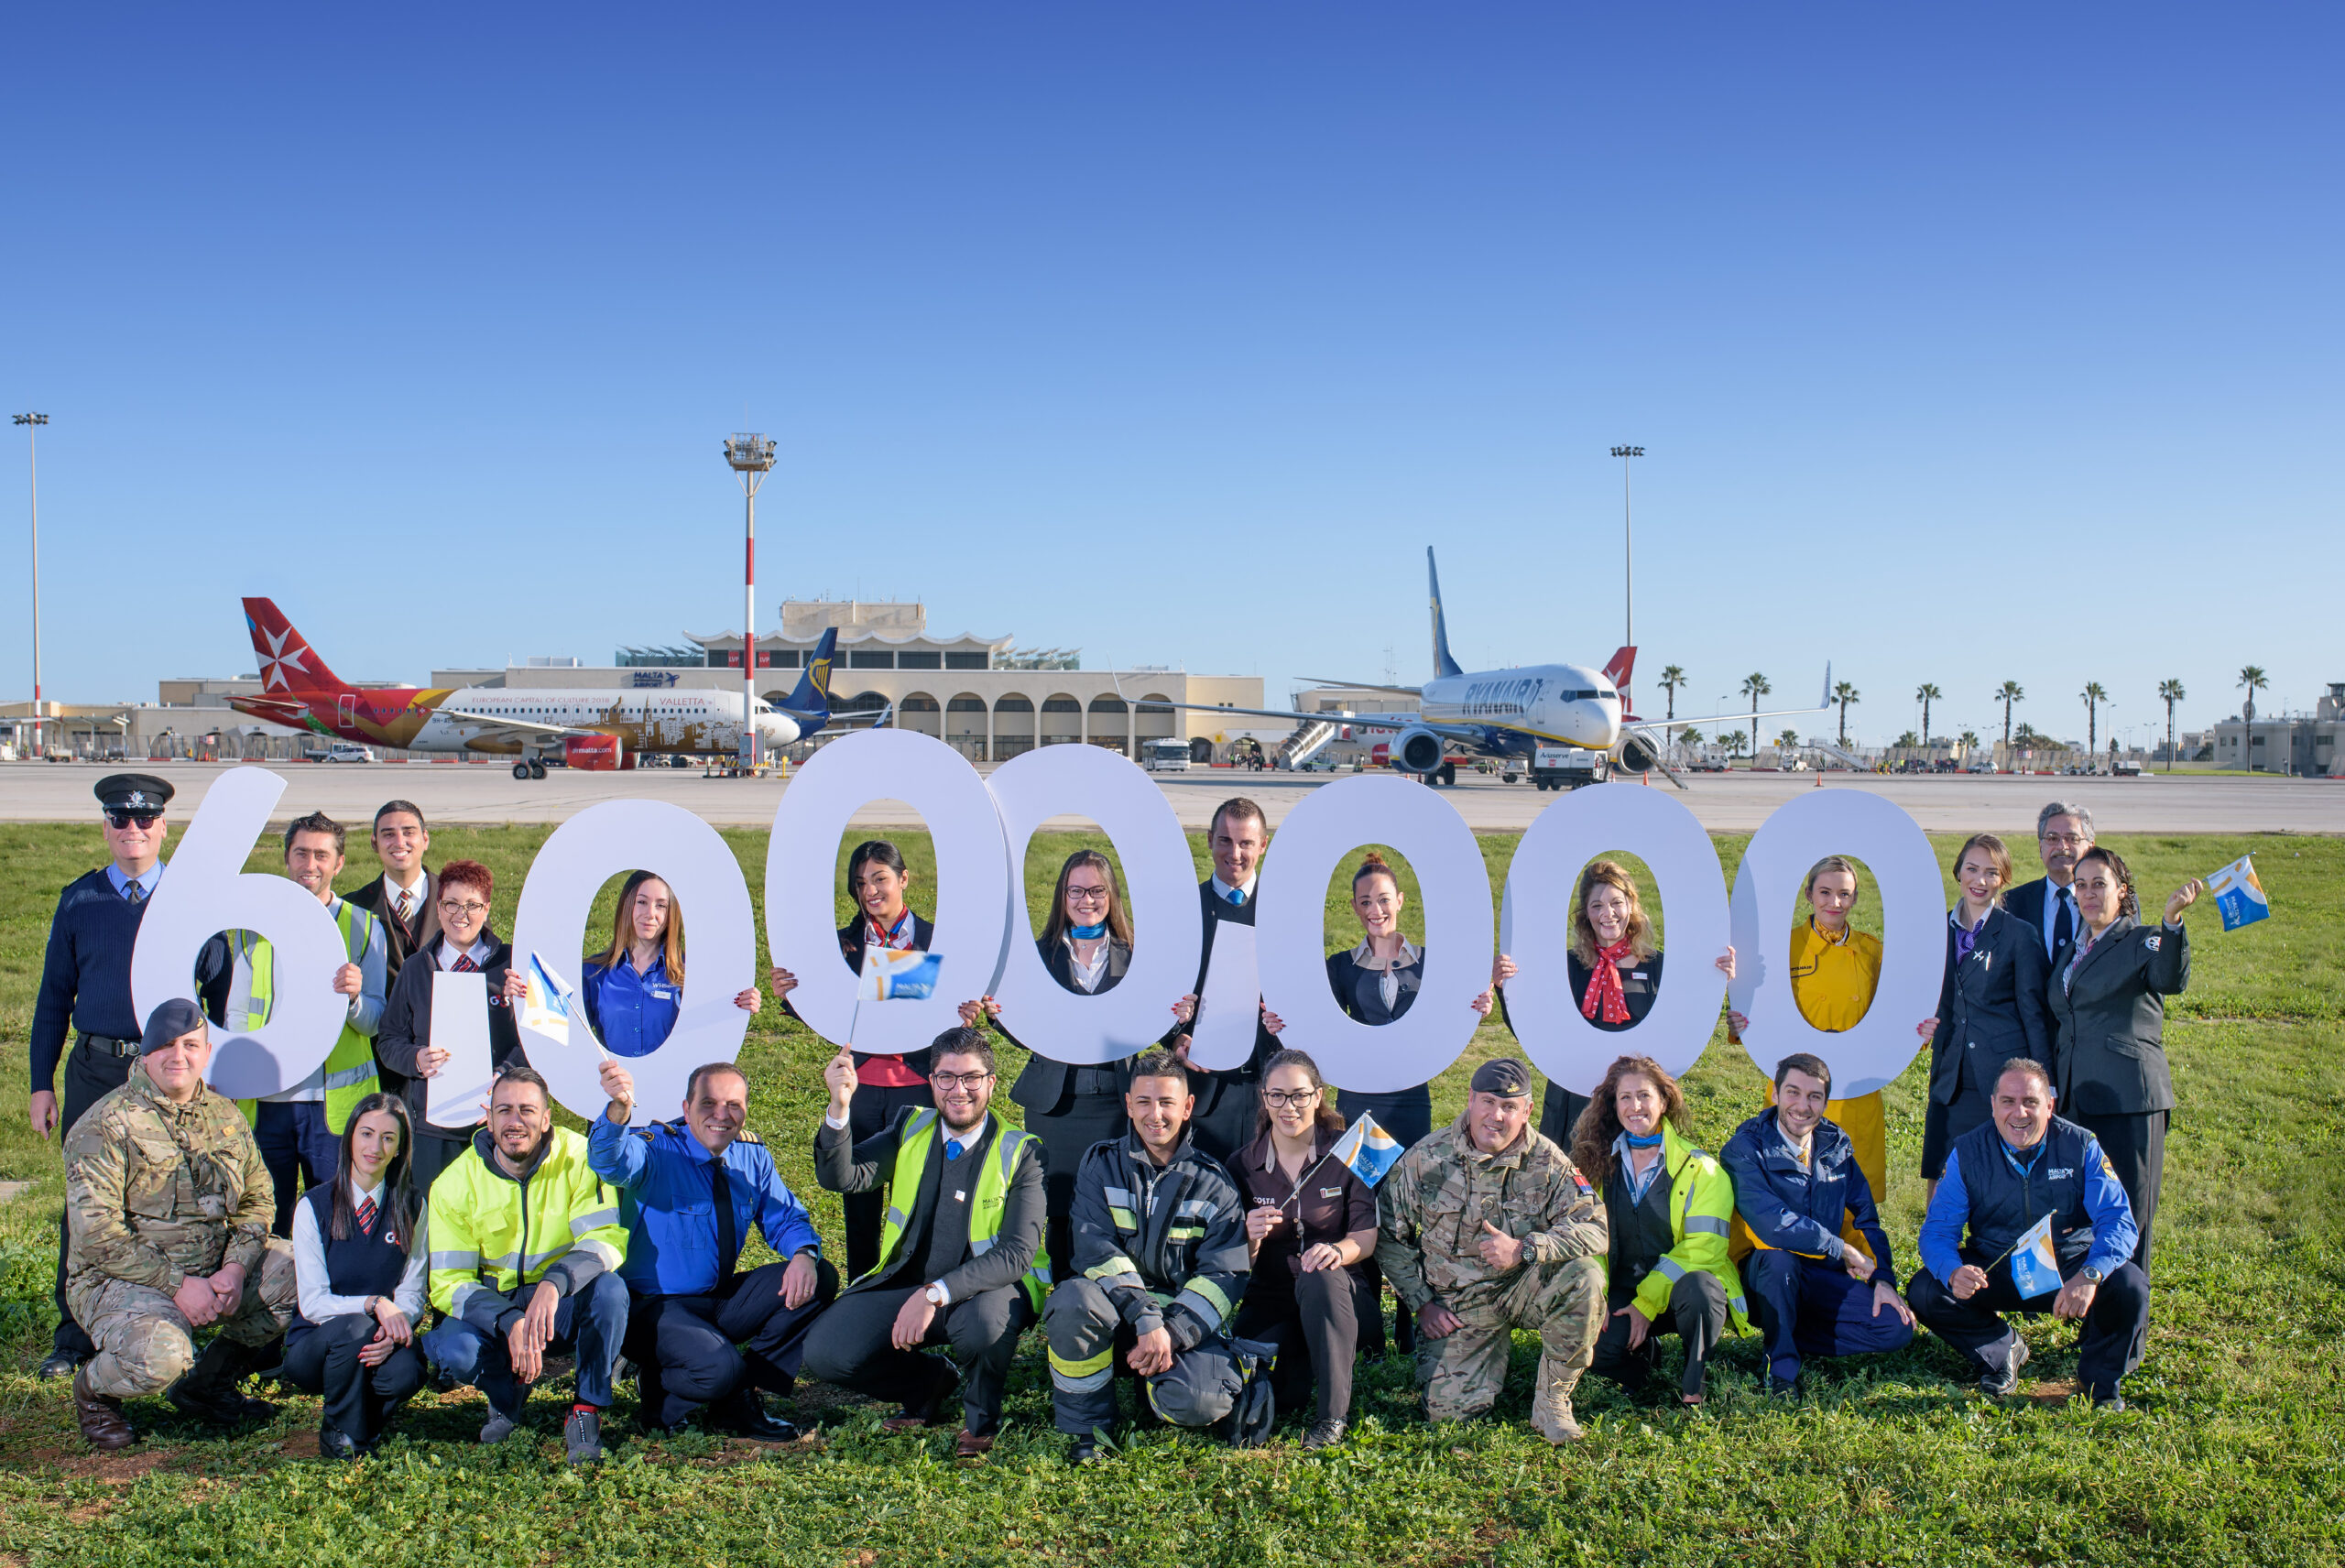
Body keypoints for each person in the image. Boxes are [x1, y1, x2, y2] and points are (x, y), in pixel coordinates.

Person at [30, 774, 233, 1380]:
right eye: (120, 819)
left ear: (164, 827)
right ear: (106, 827)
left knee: (173, 1201)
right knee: (88, 1205)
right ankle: (74, 1335)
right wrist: (41, 1083)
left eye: (145, 820)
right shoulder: (80, 901)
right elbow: (52, 997)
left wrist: (216, 1073)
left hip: (171, 1076)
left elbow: (222, 997)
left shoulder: (194, 904)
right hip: (96, 1070)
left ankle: (174, 1322)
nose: (133, 829)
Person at [62, 998, 298, 1451]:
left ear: (206, 1053)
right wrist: (178, 1286)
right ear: (145, 1052)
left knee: (297, 1272)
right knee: (162, 1357)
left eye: (190, 1045)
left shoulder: (226, 1115)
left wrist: (235, 1269)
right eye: (166, 1045)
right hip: (120, 1281)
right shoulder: (106, 1125)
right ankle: (95, 1391)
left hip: (212, 1274)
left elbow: (257, 1198)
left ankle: (206, 1385)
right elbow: (97, 1236)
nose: (179, 1056)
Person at [803, 1029, 1049, 1459]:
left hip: (987, 1288)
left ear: (991, 1082)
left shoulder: (1022, 1151)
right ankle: (928, 1384)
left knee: (982, 1327)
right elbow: (842, 1177)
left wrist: (935, 1294)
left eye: (971, 1078)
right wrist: (839, 1108)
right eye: (947, 1078)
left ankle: (981, 1420)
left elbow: (1015, 1254)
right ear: (932, 1081)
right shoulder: (910, 1126)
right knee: (826, 1352)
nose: (959, 1090)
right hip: (908, 1281)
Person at [962, 850, 1194, 1281]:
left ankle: (1118, 1297)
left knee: (1118, 1207)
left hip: (1116, 1103)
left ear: (1112, 895)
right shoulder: (1038, 957)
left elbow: (1153, 1021)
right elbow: (1029, 1029)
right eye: (1076, 891)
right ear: (1062, 897)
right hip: (1057, 1106)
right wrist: (999, 1017)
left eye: (1096, 890)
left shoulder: (1137, 957)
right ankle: (1065, 1300)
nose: (1086, 900)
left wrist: (1178, 1020)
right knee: (1060, 1210)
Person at [589, 1058, 831, 1440]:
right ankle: (660, 1386)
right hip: (653, 1308)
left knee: (819, 1276)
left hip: (717, 1300)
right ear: (686, 1109)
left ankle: (740, 1398)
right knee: (720, 1369)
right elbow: (609, 1162)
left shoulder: (752, 1156)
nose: (722, 1114)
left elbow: (785, 1218)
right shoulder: (654, 1149)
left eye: (734, 1105)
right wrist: (619, 1110)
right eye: (709, 1103)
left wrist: (803, 1253)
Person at [1314, 850, 1496, 1353]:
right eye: (1365, 902)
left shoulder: (1431, 963)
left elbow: (1457, 1010)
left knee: (1412, 1205)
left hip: (1410, 1100)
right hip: (1361, 1102)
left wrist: (1479, 1004)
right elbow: (1318, 1024)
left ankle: (1413, 1315)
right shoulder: (1342, 967)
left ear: (1401, 901)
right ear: (1354, 907)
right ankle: (1367, 1318)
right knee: (1365, 1203)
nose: (1375, 910)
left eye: (1383, 900)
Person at [1046, 1049, 1265, 1463]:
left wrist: (1173, 1333)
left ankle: (1159, 1381)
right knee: (1072, 1299)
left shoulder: (1215, 1183)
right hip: (1114, 1310)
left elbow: (1224, 1276)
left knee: (1200, 1402)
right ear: (1129, 1105)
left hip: (1178, 1324)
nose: (1155, 1115)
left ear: (1188, 1107)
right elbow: (1095, 1249)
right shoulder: (1100, 1164)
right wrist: (1145, 1318)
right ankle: (1089, 1429)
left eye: (1167, 1102)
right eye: (1144, 1102)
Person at [1374, 1057, 1606, 1443]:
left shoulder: (1549, 1161)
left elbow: (1594, 1227)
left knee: (1585, 1275)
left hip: (1525, 1287)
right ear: (1470, 1099)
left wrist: (1526, 1248)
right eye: (1488, 1102)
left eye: (1509, 1107)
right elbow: (1387, 1232)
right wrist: (1422, 1303)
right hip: (1459, 1305)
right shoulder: (1427, 1157)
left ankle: (1552, 1402)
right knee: (1447, 1414)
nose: (1496, 1116)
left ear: (1527, 1111)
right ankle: (1483, 1355)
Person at [1906, 1059, 2150, 1408]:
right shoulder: (1968, 1152)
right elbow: (1936, 1233)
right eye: (2008, 1101)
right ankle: (2001, 1349)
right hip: (1996, 1268)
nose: (2019, 1113)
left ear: (2049, 1106)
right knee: (1925, 1290)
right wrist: (1954, 1272)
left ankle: (2097, 1383)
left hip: (2068, 1269)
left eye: (2030, 1102)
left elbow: (2118, 1222)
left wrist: (2090, 1274)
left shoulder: (2081, 1146)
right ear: (1993, 1105)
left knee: (2130, 1285)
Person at [420, 1065, 630, 1464]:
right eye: (504, 1110)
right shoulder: (453, 1182)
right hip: (496, 1305)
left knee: (610, 1291)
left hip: (559, 1302)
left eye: (527, 1111)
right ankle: (506, 1392)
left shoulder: (578, 1156)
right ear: (488, 1118)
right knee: (455, 1350)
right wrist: (508, 1320)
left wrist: (555, 1283)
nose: (515, 1121)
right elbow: (449, 1282)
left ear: (546, 1119)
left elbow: (606, 1239)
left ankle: (585, 1409)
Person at [1725, 855, 1934, 1235]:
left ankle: (1854, 1263)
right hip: (1796, 1089)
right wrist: (1741, 1023)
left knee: (1852, 1194)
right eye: (1825, 892)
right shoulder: (1781, 946)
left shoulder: (1872, 951)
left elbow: (1897, 1013)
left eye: (1844, 894)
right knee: (1786, 1185)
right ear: (1808, 894)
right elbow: (1757, 1005)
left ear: (1855, 898)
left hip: (1854, 1090)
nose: (1834, 902)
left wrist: (1918, 1033)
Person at [2024, 845, 2198, 1270]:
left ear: (2122, 891)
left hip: (2128, 1101)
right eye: (2081, 885)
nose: (2088, 893)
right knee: (2087, 1213)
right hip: (2078, 1101)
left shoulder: (2140, 940)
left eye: (2099, 884)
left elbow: (2168, 978)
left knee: (2129, 1216)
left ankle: (2129, 1309)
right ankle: (2093, 1303)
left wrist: (2172, 922)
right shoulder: (2074, 949)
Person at [220, 811, 390, 1236]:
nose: (309, 864)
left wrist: (354, 999)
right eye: (300, 853)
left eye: (321, 855)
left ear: (339, 863)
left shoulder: (364, 927)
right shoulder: (252, 928)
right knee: (262, 1221)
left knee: (337, 1223)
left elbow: (374, 1022)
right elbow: (237, 1014)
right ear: (287, 858)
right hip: (266, 1102)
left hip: (333, 1110)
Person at [770, 839, 934, 1279]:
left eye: (880, 879)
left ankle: (911, 1288)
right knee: (859, 1202)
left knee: (916, 1199)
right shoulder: (841, 945)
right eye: (861, 883)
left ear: (904, 879)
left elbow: (947, 1005)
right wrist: (792, 996)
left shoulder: (937, 938)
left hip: (918, 1085)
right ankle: (861, 1288)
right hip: (859, 1087)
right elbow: (828, 1009)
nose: (870, 891)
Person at [1490, 858, 1737, 1151]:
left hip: (1636, 1103)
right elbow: (1534, 1031)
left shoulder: (1659, 967)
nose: (1607, 914)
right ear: (1586, 913)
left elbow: (1685, 1024)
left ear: (1631, 905)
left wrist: (1716, 978)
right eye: (1597, 905)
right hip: (1574, 1097)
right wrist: (1506, 989)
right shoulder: (1566, 966)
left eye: (1616, 902)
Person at [1719, 1052, 1914, 1397]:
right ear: (1775, 1094)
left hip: (1821, 1272)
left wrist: (1883, 1279)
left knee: (1894, 1327)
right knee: (1779, 1261)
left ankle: (1789, 1333)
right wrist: (1841, 1249)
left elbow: (1864, 1218)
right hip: (1763, 1275)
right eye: (1793, 1092)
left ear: (1825, 1102)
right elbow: (1772, 1224)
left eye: (1814, 1096)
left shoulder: (1835, 1145)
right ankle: (1780, 1370)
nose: (1802, 1106)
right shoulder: (1744, 1149)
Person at [1576, 1055, 1748, 1405]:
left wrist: (1647, 1303)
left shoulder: (1703, 1169)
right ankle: (1642, 1365)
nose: (1635, 1106)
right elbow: (1585, 1236)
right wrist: (1598, 1296)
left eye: (1644, 1096)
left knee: (1701, 1291)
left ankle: (1693, 1384)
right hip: (1624, 1289)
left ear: (1664, 1102)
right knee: (1593, 1349)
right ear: (1613, 1105)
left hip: (1682, 1292)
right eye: (1625, 1097)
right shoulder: (1595, 1164)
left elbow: (1705, 1248)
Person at [1228, 1051, 1377, 1448]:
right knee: (1280, 1393)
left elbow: (1366, 1235)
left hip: (1339, 1295)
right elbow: (1236, 1262)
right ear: (1264, 1098)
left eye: (1299, 1095)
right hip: (1272, 1296)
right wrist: (1251, 1238)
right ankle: (1309, 1359)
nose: (1288, 1107)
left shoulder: (1354, 1149)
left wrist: (1339, 1252)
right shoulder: (1241, 1165)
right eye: (1277, 1096)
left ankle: (1332, 1418)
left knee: (1320, 1275)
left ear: (1318, 1096)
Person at [282, 1092, 428, 1458]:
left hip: (379, 1335)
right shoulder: (313, 1206)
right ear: (349, 1137)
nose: (375, 1147)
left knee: (409, 1371)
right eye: (366, 1134)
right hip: (317, 1346)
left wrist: (393, 1330)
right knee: (354, 1327)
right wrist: (374, 1304)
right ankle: (339, 1432)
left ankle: (365, 1422)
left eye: (388, 1138)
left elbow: (412, 1289)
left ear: (399, 1148)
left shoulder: (412, 1204)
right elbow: (313, 1303)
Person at [374, 859, 529, 1192]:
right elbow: (388, 1040)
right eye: (452, 904)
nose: (461, 914)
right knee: (437, 1211)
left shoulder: (512, 965)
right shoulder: (416, 969)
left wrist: (505, 1073)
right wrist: (415, 1058)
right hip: (434, 1127)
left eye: (472, 905)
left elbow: (537, 1039)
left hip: (498, 1123)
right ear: (438, 907)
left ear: (487, 909)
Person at [1918, 833, 2046, 1199]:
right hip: (1950, 1074)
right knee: (1941, 1173)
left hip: (2000, 1076)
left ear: (2003, 879)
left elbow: (2034, 1014)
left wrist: (2044, 1082)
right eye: (1972, 869)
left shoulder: (2020, 935)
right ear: (1958, 872)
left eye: (1991, 872)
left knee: (2000, 1177)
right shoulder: (1935, 930)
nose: (1980, 880)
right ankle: (1938, 1238)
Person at [1166, 799, 1287, 1165]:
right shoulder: (1183, 910)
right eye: (1225, 841)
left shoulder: (1286, 910)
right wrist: (1174, 1037)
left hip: (1271, 1088)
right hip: (1203, 1090)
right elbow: (1158, 992)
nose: (1235, 853)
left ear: (1263, 845)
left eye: (1246, 843)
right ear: (1209, 840)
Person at [580, 870, 761, 1059]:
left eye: (661, 905)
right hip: (613, 1077)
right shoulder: (593, 973)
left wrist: (741, 1003)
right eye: (641, 902)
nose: (650, 914)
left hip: (675, 1076)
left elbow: (712, 1022)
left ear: (671, 913)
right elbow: (571, 1033)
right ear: (627, 906)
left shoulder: (692, 973)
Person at [343, 800, 439, 985]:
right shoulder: (352, 908)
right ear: (374, 843)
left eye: (409, 832)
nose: (399, 842)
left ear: (425, 839)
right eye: (388, 834)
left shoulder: (462, 900)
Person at [2003, 801, 2095, 973]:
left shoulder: (2113, 902)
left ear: (2090, 847)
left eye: (2072, 838)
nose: (2062, 847)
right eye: (2052, 838)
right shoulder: (2012, 903)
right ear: (2040, 847)